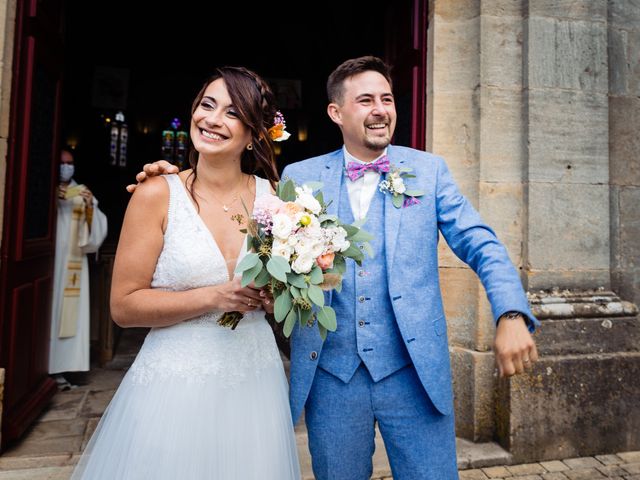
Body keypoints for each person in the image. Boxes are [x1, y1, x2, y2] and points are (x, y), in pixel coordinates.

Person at [132, 56, 539, 480]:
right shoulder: (298, 178)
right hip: (331, 377)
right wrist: (169, 181)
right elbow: (247, 234)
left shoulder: (428, 171)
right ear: (336, 112)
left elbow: (481, 243)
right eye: (365, 100)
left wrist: (510, 312)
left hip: (414, 374)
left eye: (387, 99)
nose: (380, 109)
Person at [70, 67, 301, 479]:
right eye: (206, 105)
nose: (212, 119)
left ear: (253, 134)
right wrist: (215, 297)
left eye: (232, 113)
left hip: (255, 378)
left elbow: (286, 296)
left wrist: (273, 300)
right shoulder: (157, 193)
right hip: (174, 384)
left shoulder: (275, 200)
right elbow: (124, 307)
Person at [49, 147, 108, 389]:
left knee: (66, 314)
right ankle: (39, 371)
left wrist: (89, 207)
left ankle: (61, 368)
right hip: (48, 265)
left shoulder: (82, 193)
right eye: (62, 163)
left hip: (72, 264)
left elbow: (96, 234)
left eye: (70, 163)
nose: (66, 167)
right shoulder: (42, 189)